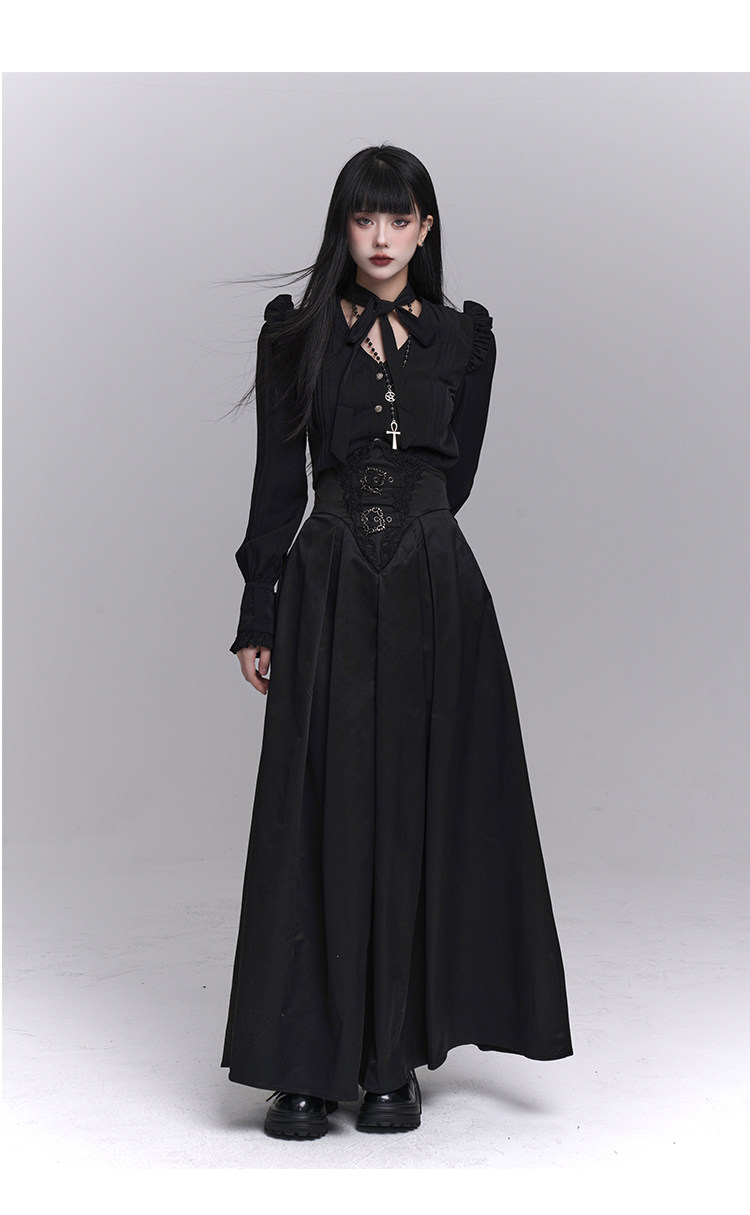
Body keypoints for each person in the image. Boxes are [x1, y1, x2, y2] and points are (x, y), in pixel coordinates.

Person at [221, 144, 573, 1140]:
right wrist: (260, 610)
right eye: (363, 218)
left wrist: (410, 535)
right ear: (344, 228)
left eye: (399, 218)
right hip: (327, 583)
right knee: (318, 807)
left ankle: (390, 1061)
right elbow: (276, 480)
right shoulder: (294, 336)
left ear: (425, 228)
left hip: (432, 587)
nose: (380, 237)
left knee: (419, 808)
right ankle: (302, 1064)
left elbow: (457, 478)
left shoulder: (465, 339)